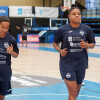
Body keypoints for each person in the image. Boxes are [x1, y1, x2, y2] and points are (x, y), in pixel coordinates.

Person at [53, 4, 95, 100]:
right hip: (67, 65)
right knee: (72, 92)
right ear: (69, 16)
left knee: (75, 94)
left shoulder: (87, 29)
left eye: (79, 14)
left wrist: (87, 45)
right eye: (74, 14)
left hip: (81, 64)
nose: (77, 15)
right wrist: (60, 50)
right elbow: (55, 43)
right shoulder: (62, 30)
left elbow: (92, 44)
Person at [0, 16, 19, 100]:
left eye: (6, 28)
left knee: (2, 96)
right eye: (2, 27)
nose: (5, 29)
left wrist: (12, 52)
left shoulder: (11, 39)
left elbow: (16, 55)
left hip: (5, 73)